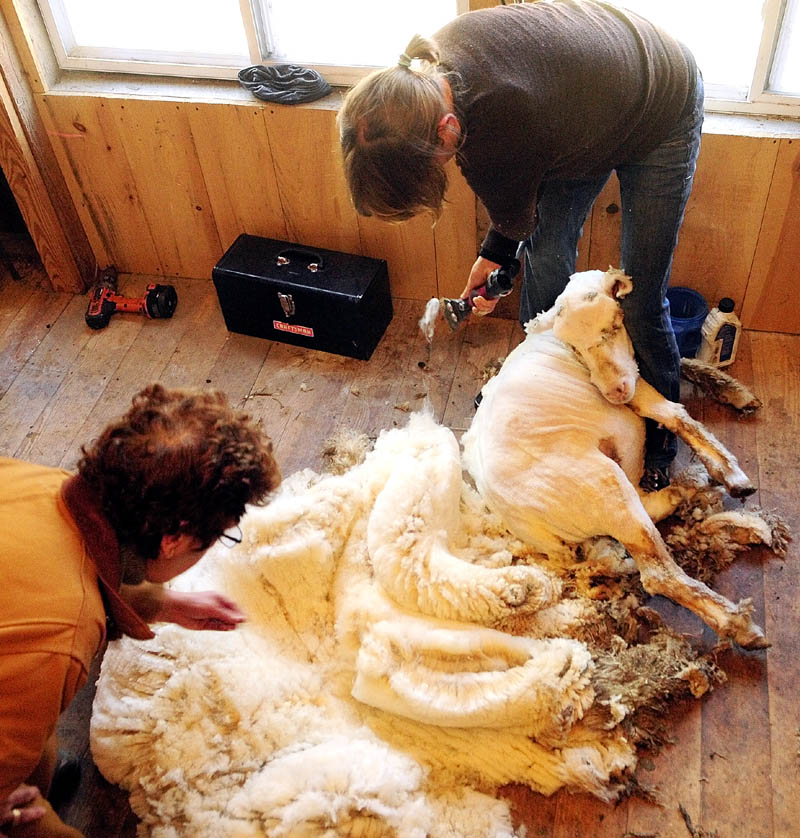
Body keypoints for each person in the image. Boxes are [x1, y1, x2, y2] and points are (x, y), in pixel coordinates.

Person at [338, 0, 704, 491]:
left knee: (639, 294)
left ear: (447, 130)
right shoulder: (431, 87)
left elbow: (512, 202)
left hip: (660, 102)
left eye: (432, 167)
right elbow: (517, 219)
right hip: (579, 117)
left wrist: (496, 256)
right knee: (547, 263)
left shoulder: (500, 116)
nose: (441, 172)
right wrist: (493, 261)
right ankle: (539, 390)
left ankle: (663, 434)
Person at [0, 384, 281, 837]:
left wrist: (162, 603)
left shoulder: (42, 486)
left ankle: (32, 775)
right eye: (221, 536)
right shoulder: (60, 641)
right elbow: (47, 620)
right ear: (175, 539)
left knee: (37, 748)